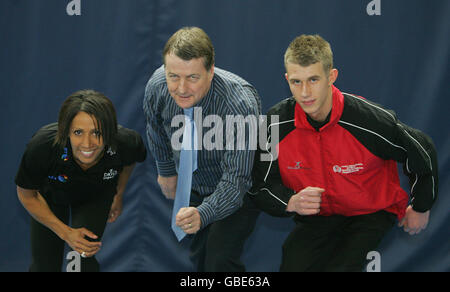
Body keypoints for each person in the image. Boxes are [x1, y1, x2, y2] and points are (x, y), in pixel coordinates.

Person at [249, 34, 438, 272]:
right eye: (296, 82)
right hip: (320, 216)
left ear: (331, 77)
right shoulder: (273, 125)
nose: (305, 92)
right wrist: (290, 201)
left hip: (371, 213)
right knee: (292, 264)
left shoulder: (369, 120)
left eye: (314, 79)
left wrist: (421, 206)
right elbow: (260, 185)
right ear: (287, 79)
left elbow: (422, 149)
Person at [143, 27, 261, 271]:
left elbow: (236, 181)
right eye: (173, 76)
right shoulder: (157, 84)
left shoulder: (239, 103)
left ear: (211, 71)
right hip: (194, 185)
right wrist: (166, 170)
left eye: (192, 78)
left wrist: (203, 214)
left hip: (238, 188)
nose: (182, 88)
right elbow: (154, 126)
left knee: (219, 259)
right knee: (201, 260)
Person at [15, 90, 146, 272]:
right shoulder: (43, 146)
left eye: (96, 133)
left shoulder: (126, 142)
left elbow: (129, 162)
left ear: (109, 131)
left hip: (95, 196)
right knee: (44, 266)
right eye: (78, 132)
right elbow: (27, 195)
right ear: (66, 131)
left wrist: (119, 193)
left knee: (80, 260)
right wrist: (66, 232)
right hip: (49, 197)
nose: (87, 143)